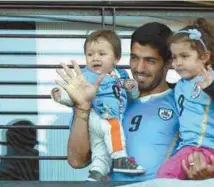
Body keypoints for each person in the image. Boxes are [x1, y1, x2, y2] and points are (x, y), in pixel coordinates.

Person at [56, 22, 214, 182]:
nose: (139, 68)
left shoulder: (183, 100)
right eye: (134, 58)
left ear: (169, 62)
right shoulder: (106, 98)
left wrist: (204, 167)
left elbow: (205, 148)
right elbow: (77, 161)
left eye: (150, 60)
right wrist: (83, 108)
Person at [51, 29, 144, 181]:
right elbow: (75, 96)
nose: (95, 58)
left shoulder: (120, 74)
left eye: (102, 54)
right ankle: (120, 158)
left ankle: (97, 173)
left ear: (116, 58)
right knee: (113, 126)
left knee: (100, 148)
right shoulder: (85, 76)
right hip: (98, 115)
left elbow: (132, 96)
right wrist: (61, 96)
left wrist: (132, 88)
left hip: (104, 119)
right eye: (90, 54)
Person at [156, 18, 214, 179]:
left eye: (184, 56)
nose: (177, 63)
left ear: (204, 57)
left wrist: (212, 89)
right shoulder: (181, 85)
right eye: (174, 57)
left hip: (211, 150)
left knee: (165, 175)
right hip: (189, 149)